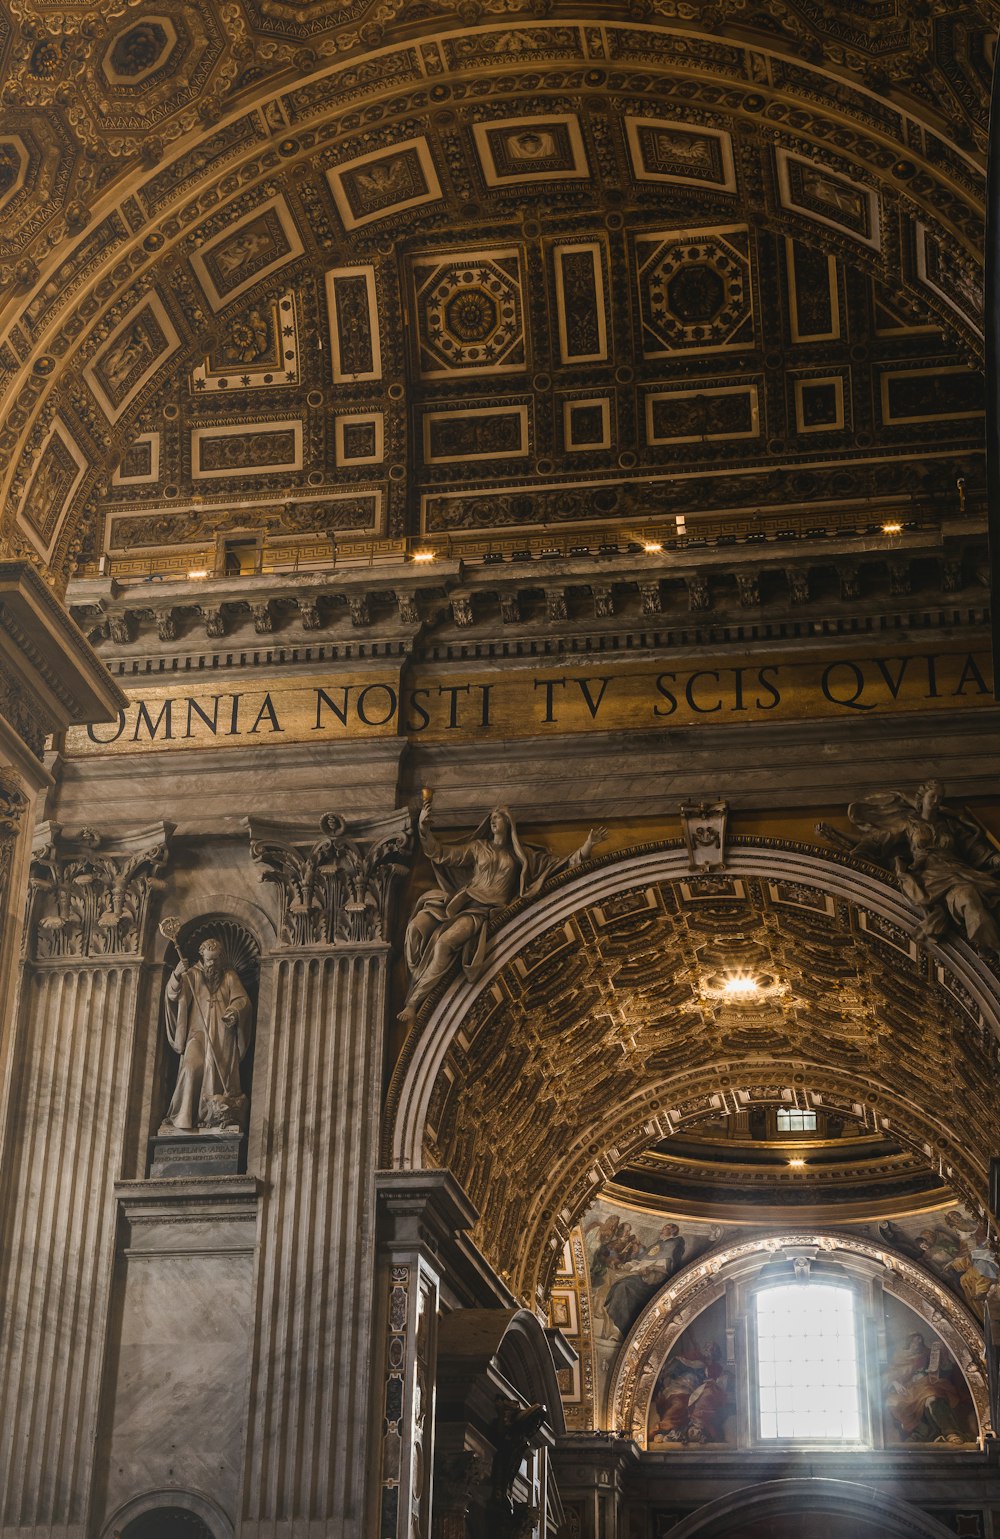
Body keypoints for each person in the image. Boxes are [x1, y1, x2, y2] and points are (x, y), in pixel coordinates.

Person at [399, 796, 605, 1020]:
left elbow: (557, 868)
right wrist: (423, 829)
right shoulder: (478, 848)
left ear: (509, 823)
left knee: (444, 944)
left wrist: (586, 847)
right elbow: (440, 854)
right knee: (416, 929)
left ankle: (414, 1002)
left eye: (499, 817)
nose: (494, 821)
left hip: (485, 912)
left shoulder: (521, 856)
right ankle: (415, 988)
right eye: (492, 818)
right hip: (464, 904)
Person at [159, 938, 253, 1134]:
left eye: (217, 960)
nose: (213, 964)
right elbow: (173, 995)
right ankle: (183, 1116)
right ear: (202, 957)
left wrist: (234, 1011)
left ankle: (211, 1118)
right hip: (198, 1033)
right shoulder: (191, 975)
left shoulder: (229, 977)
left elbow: (242, 1000)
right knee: (191, 1066)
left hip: (222, 1035)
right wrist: (176, 974)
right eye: (210, 960)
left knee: (216, 1070)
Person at [883, 1332, 965, 1444]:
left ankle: (950, 1432)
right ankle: (925, 1432)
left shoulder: (927, 1354)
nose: (919, 1342)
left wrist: (944, 1355)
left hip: (926, 1384)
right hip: (909, 1389)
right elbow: (889, 1374)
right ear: (909, 1342)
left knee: (932, 1399)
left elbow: (944, 1370)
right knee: (892, 1403)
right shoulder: (900, 1357)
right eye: (916, 1340)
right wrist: (895, 1383)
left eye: (920, 1340)